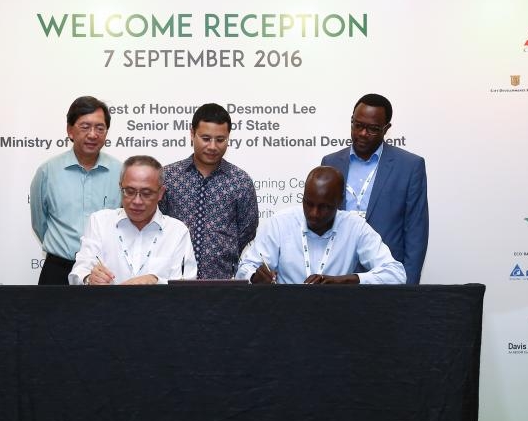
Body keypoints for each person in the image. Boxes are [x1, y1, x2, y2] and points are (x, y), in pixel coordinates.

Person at [321, 93, 429, 284]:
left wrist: (409, 287)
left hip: (385, 276)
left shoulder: (410, 166)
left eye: (372, 129)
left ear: (386, 128)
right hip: (336, 274)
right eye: (358, 125)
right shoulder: (330, 162)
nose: (363, 133)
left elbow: (416, 231)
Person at [236, 167, 405, 285]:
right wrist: (254, 277)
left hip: (336, 317)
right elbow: (245, 268)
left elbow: (396, 274)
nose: (314, 213)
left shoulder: (355, 227)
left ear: (340, 202)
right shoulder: (280, 223)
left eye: (324, 207)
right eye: (308, 204)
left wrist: (346, 280)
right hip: (285, 315)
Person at [30, 96, 123, 284]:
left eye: (100, 128)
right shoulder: (48, 171)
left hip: (104, 274)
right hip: (58, 270)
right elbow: (40, 223)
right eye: (85, 126)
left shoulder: (121, 172)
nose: (93, 134)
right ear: (70, 130)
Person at [160, 103, 258, 279]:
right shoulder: (168, 177)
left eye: (220, 140)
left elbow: (247, 231)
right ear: (192, 134)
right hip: (173, 280)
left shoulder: (240, 181)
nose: (213, 146)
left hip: (223, 283)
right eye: (205, 138)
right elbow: (158, 225)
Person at [69, 156, 197, 285]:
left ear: (160, 193)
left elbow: (187, 283)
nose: (137, 201)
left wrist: (157, 281)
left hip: (160, 305)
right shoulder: (100, 222)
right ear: (120, 187)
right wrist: (89, 278)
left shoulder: (177, 231)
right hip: (106, 303)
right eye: (129, 192)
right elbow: (79, 271)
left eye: (146, 193)